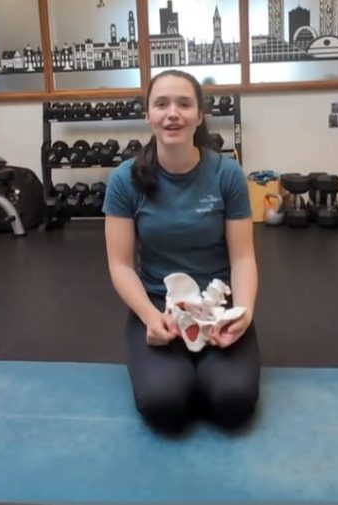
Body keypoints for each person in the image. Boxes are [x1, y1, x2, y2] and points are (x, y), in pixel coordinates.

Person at [102, 70, 259, 434]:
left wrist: (243, 313)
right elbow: (120, 265)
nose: (172, 113)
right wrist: (149, 317)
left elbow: (243, 258)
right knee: (164, 405)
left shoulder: (227, 174)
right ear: (148, 115)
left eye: (184, 104)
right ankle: (181, 374)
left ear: (199, 115)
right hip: (160, 308)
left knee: (233, 402)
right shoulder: (125, 180)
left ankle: (206, 373)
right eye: (161, 104)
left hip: (218, 307)